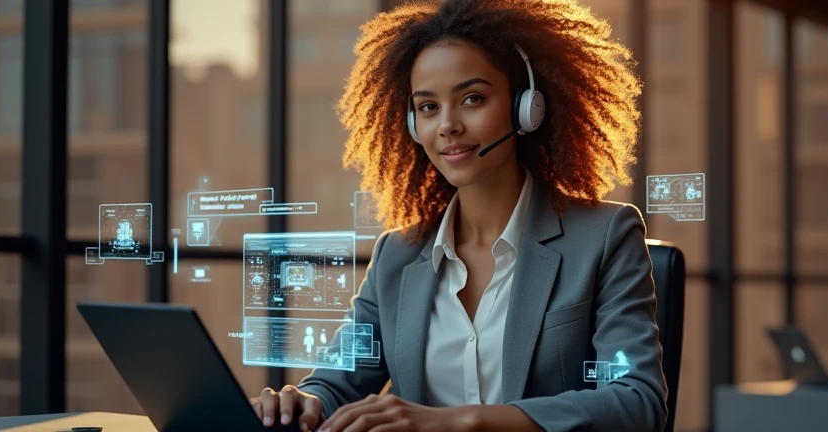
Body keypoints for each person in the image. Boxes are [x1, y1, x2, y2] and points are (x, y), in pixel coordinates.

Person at [252, 0, 667, 430]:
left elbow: (637, 402)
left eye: (472, 98)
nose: (448, 125)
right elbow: (337, 386)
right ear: (414, 125)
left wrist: (463, 421)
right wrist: (301, 401)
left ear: (526, 105)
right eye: (428, 107)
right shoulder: (397, 255)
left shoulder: (604, 237)